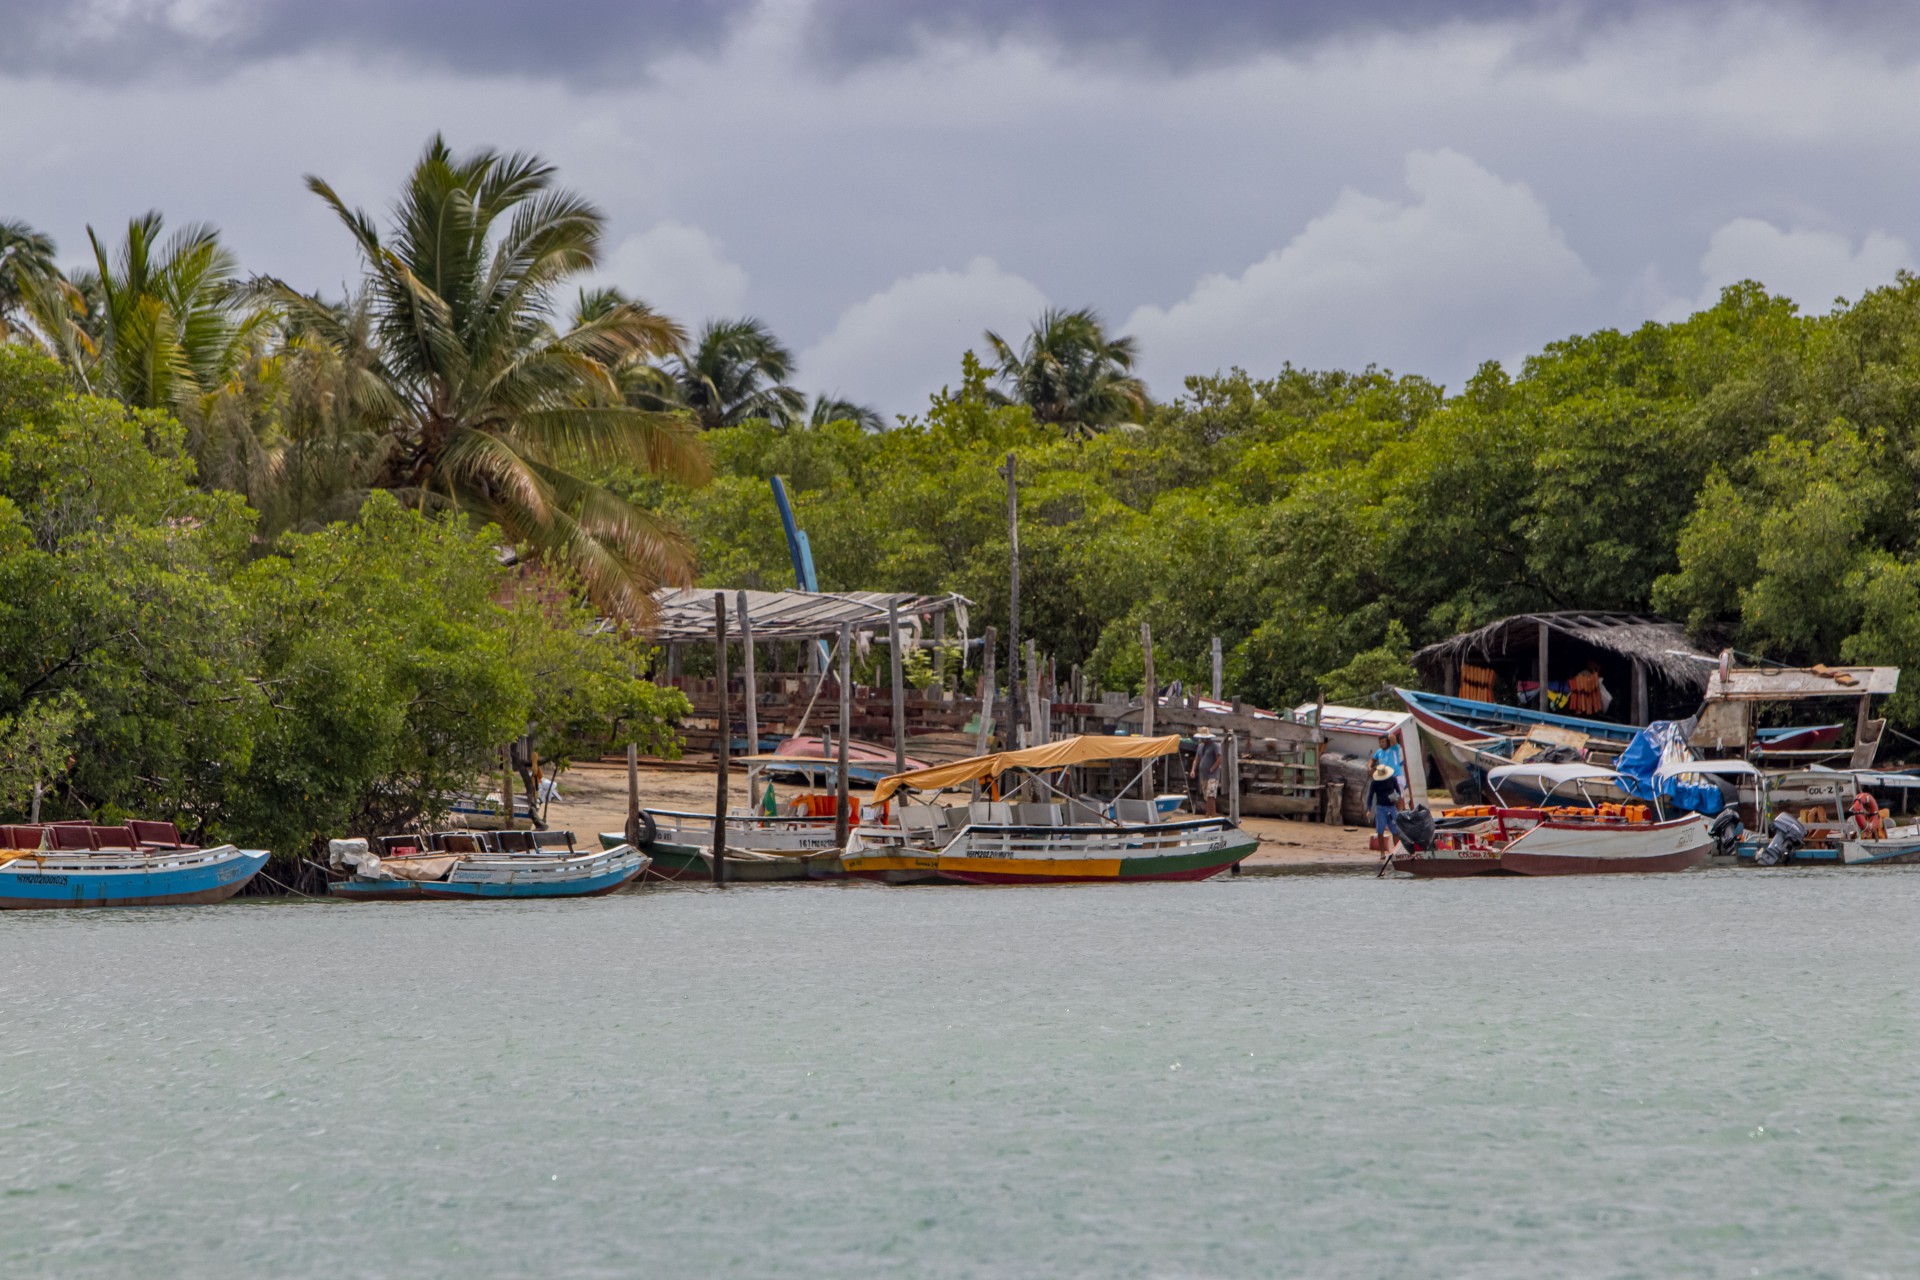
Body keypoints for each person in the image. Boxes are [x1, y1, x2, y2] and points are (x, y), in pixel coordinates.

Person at [1190, 729, 1224, 818]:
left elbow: (1219, 759)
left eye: (1203, 737)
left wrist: (1212, 768)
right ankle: (1210, 813)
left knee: (1210, 794)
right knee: (1206, 795)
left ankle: (1210, 814)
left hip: (1213, 775)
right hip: (1204, 775)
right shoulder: (1200, 746)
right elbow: (1197, 759)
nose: (1201, 739)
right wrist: (1193, 770)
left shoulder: (1215, 746)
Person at [1368, 763, 1402, 841]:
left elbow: (1398, 791)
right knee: (1380, 831)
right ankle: (1382, 849)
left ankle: (1395, 848)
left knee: (1396, 830)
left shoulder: (1392, 779)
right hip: (1380, 808)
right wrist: (1369, 809)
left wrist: (1395, 797)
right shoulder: (1375, 782)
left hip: (1392, 807)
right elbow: (1370, 796)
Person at [1370, 733, 1406, 807]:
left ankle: (1400, 813)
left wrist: (1388, 734)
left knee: (1397, 798)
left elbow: (1393, 738)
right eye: (1380, 742)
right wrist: (1369, 768)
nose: (1381, 744)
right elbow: (1372, 760)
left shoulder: (1394, 748)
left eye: (1383, 742)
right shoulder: (1379, 752)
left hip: (1397, 776)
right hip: (1386, 780)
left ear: (1388, 741)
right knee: (1390, 800)